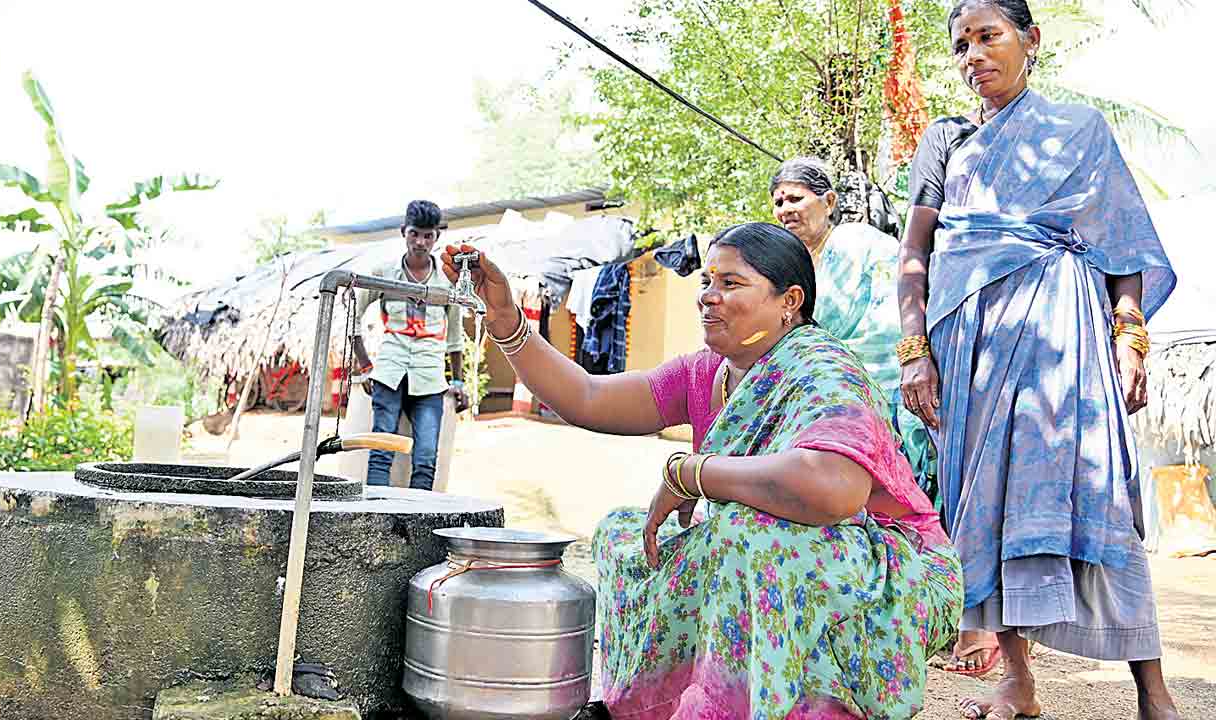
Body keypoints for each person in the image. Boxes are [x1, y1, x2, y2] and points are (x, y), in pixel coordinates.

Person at [440, 223, 962, 719]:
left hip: (893, 568)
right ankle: (653, 704)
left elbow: (834, 489)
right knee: (627, 534)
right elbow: (587, 397)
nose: (707, 295)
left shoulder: (823, 369)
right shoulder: (709, 372)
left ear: (790, 301)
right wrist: (506, 317)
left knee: (742, 536)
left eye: (731, 283)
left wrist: (692, 473)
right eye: (707, 281)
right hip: (789, 553)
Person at [896, 2, 1179, 718]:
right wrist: (913, 353)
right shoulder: (947, 140)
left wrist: (1130, 335)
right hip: (968, 345)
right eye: (961, 45)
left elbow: (1123, 243)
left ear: (1030, 40)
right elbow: (914, 254)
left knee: (1096, 490)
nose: (973, 56)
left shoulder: (1080, 130)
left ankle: (1153, 689)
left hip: (1064, 336)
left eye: (988, 37)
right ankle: (1017, 682)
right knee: (983, 507)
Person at [769, 157, 939, 512]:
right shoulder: (791, 265)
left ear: (829, 202)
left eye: (796, 199)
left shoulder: (855, 242)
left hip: (880, 388)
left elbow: (875, 315)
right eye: (779, 202)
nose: (786, 209)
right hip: (819, 395)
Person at [349, 200, 469, 491]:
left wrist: (458, 381)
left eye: (428, 235)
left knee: (426, 458)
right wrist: (365, 366)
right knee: (381, 451)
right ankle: (376, 521)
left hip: (430, 377)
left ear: (436, 237)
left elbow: (454, 337)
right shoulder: (384, 273)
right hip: (389, 372)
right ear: (404, 232)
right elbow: (353, 321)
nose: (420, 242)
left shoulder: (446, 282)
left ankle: (418, 528)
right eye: (415, 233)